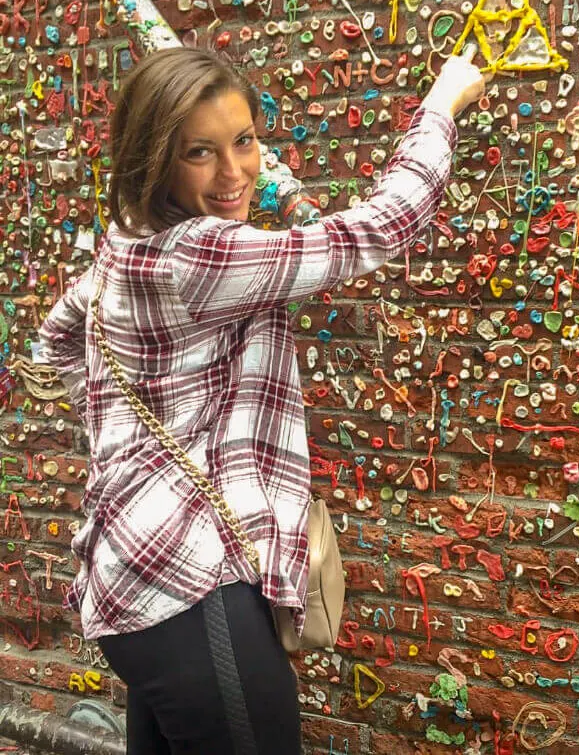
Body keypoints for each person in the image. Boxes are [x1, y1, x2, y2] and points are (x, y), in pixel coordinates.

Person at [38, 46, 484, 755]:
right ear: (156, 159)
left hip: (129, 579)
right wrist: (441, 106)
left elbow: (56, 339)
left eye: (244, 140)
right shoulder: (205, 258)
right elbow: (380, 225)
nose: (235, 172)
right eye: (199, 153)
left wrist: (130, 441)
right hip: (188, 586)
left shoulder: (126, 246)